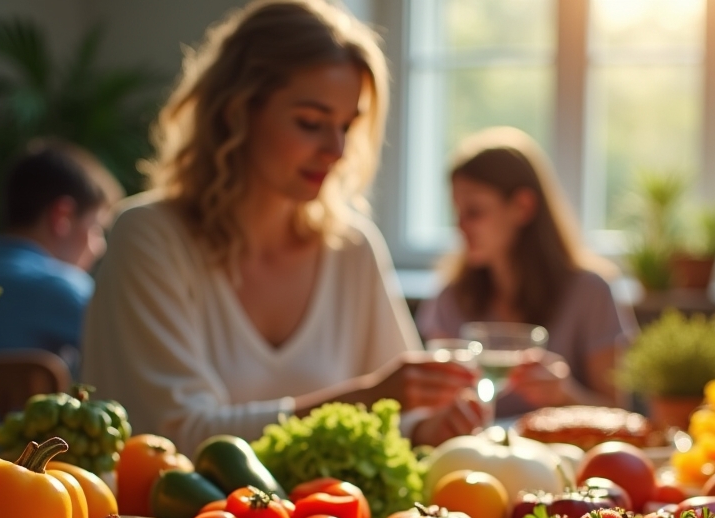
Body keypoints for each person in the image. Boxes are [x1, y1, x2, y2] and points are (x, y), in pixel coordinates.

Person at [81, 0, 482, 451]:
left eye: (347, 126)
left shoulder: (352, 247)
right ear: (236, 112)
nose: (336, 148)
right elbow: (173, 438)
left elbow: (401, 421)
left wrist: (433, 426)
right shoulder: (148, 237)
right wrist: (365, 401)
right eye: (310, 123)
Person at [418, 126, 637, 416]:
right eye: (457, 213)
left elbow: (620, 414)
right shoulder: (451, 297)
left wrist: (565, 394)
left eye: (474, 212)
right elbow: (429, 409)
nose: (461, 227)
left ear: (522, 206)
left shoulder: (591, 292)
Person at [0, 139, 122, 372]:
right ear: (63, 217)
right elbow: (132, 357)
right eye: (96, 228)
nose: (100, 247)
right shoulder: (64, 289)